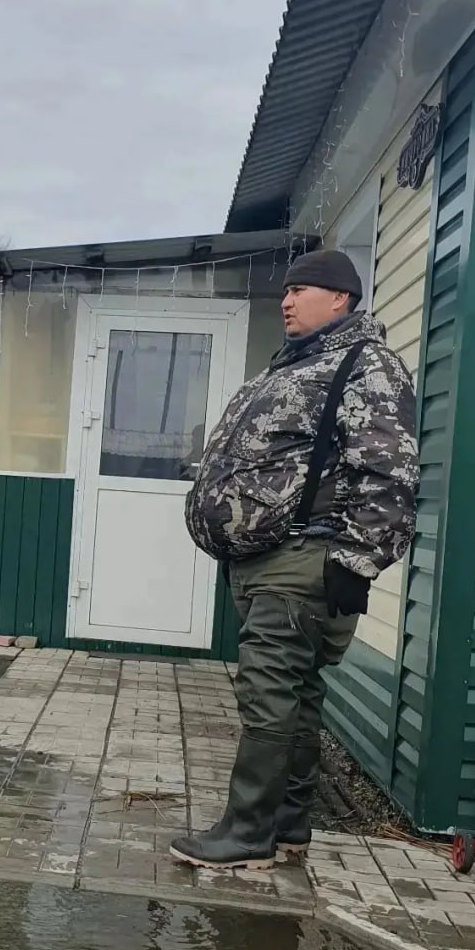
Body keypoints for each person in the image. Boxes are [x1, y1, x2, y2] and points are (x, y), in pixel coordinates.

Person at [173, 248, 418, 870]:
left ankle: (245, 832)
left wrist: (355, 563)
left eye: (302, 289)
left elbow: (388, 475)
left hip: (303, 559)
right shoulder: (296, 364)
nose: (287, 300)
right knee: (297, 697)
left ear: (341, 298)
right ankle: (288, 827)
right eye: (286, 290)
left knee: (269, 694)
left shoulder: (367, 366)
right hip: (261, 558)